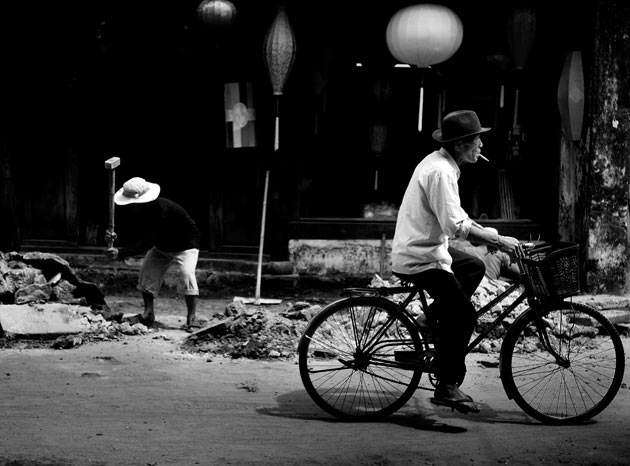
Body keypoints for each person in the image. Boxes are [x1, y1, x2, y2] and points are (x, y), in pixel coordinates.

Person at [391, 110, 521, 413]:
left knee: (473, 266)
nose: (481, 146)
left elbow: (457, 218)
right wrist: (498, 240)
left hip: (426, 250)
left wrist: (489, 235)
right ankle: (448, 386)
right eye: (477, 140)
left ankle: (428, 320)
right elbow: (454, 226)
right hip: (420, 258)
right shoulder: (441, 172)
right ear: (461, 144)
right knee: (464, 315)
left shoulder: (443, 165)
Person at [105, 177, 203, 330]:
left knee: (187, 274)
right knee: (147, 271)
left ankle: (192, 317)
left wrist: (122, 252)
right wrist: (115, 237)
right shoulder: (134, 210)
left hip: (185, 244)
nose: (131, 207)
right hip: (162, 245)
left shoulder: (162, 210)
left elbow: (149, 239)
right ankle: (148, 313)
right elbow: (135, 232)